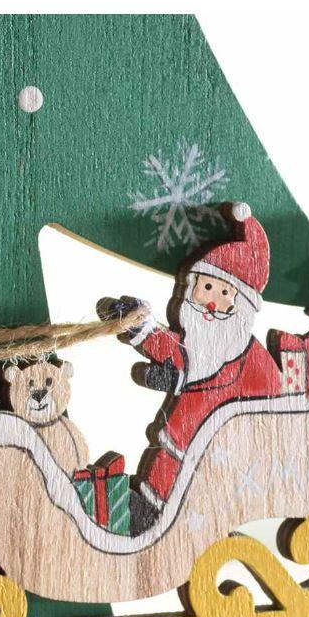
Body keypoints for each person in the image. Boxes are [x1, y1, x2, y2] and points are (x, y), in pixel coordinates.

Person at [98, 202, 282, 535]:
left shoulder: (248, 355)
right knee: (163, 472)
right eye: (207, 288)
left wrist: (177, 379)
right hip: (181, 432)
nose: (212, 302)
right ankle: (146, 511)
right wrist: (137, 325)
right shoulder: (198, 337)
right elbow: (173, 349)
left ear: (240, 305)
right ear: (192, 287)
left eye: (224, 293)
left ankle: (183, 522)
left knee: (191, 484)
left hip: (215, 447)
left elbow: (268, 399)